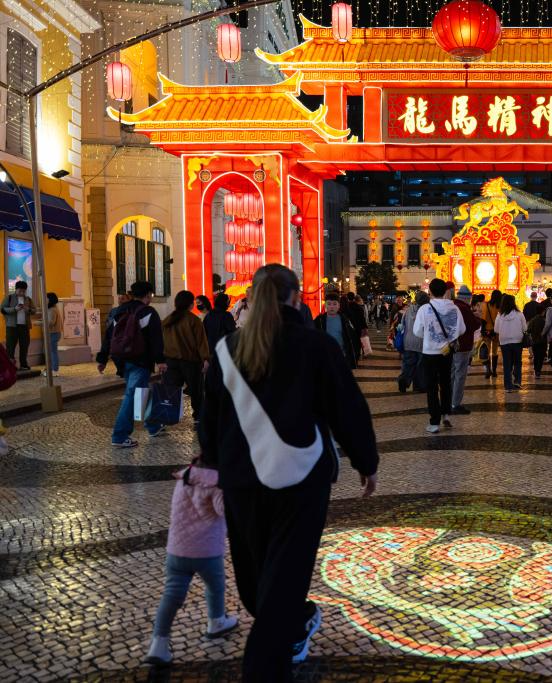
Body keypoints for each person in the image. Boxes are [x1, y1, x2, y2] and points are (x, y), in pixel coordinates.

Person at [200, 264, 378, 682]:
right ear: (296, 298)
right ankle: (294, 621)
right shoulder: (310, 347)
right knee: (263, 583)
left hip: (263, 479)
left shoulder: (231, 349)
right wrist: (366, 463)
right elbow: (348, 407)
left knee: (271, 580)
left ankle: (265, 664)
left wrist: (214, 466)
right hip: (290, 479)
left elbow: (208, 421)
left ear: (251, 298)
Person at [145, 456, 238, 666]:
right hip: (207, 551)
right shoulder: (217, 482)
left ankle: (158, 644)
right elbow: (225, 510)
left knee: (171, 596)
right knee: (215, 587)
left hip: (177, 550)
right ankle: (216, 621)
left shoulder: (185, 476)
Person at [97, 281, 167, 448]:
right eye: (151, 295)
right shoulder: (148, 312)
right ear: (148, 295)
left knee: (140, 390)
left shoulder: (119, 311)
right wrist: (161, 360)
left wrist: (102, 358)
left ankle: (153, 425)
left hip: (122, 359)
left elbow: (109, 335)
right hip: (141, 360)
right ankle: (120, 435)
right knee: (133, 395)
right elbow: (156, 339)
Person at [413, 278, 465, 433]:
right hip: (446, 352)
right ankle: (446, 414)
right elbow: (462, 329)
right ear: (445, 291)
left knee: (431, 387)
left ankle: (434, 422)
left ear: (430, 291)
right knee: (446, 383)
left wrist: (429, 336)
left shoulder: (424, 309)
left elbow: (417, 331)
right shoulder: (454, 308)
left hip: (429, 352)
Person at [158, 290, 211, 428]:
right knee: (196, 391)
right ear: (190, 304)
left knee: (169, 390)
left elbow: (161, 341)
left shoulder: (167, 320)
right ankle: (198, 418)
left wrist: (160, 359)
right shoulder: (194, 320)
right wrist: (206, 358)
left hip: (170, 361)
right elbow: (201, 342)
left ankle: (164, 418)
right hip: (191, 362)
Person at [450, 285, 480, 414]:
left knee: (452, 374)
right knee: (460, 375)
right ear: (467, 298)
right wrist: (477, 317)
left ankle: (449, 401)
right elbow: (473, 325)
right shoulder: (464, 309)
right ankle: (456, 404)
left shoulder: (452, 306)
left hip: (451, 346)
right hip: (463, 346)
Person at [494, 294, 527, 391]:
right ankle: (517, 382)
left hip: (504, 342)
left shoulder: (500, 315)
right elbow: (525, 328)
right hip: (517, 341)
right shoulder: (519, 314)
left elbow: (496, 329)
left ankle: (508, 386)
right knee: (517, 362)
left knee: (507, 364)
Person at [313, 293, 353, 369]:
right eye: (329, 304)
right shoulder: (319, 320)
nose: (332, 307)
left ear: (339, 306)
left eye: (334, 304)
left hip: (341, 355)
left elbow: (350, 337)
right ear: (325, 305)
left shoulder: (344, 319)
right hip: (325, 356)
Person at [398, 292, 428, 393]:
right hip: (420, 341)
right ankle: (419, 386)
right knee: (420, 366)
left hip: (408, 341)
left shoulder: (408, 310)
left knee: (408, 364)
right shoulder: (425, 311)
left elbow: (402, 324)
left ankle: (403, 380)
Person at [3, 280, 35, 370]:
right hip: (11, 327)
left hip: (24, 327)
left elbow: (34, 310)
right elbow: (2, 309)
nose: (22, 293)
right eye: (20, 291)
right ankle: (10, 366)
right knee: (10, 346)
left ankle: (23, 364)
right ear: (16, 289)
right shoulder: (9, 298)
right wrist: (14, 309)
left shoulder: (28, 299)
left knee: (24, 345)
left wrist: (28, 309)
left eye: (24, 291)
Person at [480, 289, 502, 379]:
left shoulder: (486, 305)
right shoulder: (500, 307)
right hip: (497, 331)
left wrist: (482, 330)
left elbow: (483, 319)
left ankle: (488, 370)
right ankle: (494, 371)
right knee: (495, 351)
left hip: (487, 331)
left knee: (487, 351)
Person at [526, 304, 547, 380]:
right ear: (543, 312)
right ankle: (538, 371)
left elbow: (528, 331)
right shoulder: (544, 321)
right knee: (541, 357)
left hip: (534, 342)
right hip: (543, 342)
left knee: (536, 356)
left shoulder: (532, 320)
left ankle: (536, 370)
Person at [43, 293, 62, 378]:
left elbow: (51, 322)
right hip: (54, 333)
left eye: (46, 298)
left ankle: (54, 370)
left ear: (50, 299)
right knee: (51, 352)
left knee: (53, 352)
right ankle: (50, 369)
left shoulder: (52, 310)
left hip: (53, 333)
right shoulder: (53, 308)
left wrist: (40, 323)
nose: (45, 300)